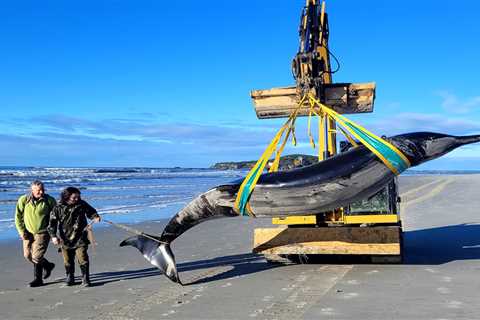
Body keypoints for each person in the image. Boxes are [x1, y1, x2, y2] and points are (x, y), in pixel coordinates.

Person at [48, 187, 101, 287]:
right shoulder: (57, 208)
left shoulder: (82, 204)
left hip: (81, 236)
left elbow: (91, 212)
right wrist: (53, 236)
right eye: (74, 197)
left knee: (82, 257)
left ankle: (85, 278)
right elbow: (52, 223)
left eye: (78, 197)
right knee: (67, 259)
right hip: (65, 239)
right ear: (66, 197)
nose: (77, 199)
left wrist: (95, 216)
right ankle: (70, 277)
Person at [14, 180, 56, 287]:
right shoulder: (24, 200)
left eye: (42, 190)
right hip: (27, 232)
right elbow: (18, 217)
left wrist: (54, 233)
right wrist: (21, 231)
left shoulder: (49, 200)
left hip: (42, 232)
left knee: (36, 256)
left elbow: (55, 217)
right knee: (27, 255)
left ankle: (38, 279)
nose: (41, 192)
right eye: (38, 190)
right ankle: (47, 265)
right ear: (31, 190)